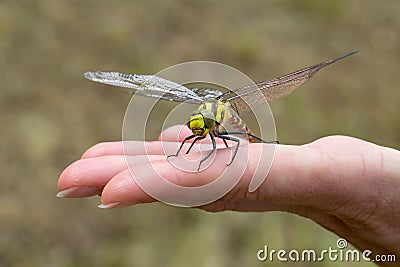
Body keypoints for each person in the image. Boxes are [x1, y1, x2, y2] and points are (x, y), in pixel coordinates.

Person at [57, 125, 400, 265]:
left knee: (230, 144)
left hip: (236, 134)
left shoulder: (221, 125)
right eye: (196, 123)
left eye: (199, 123)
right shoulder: (201, 127)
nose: (194, 126)